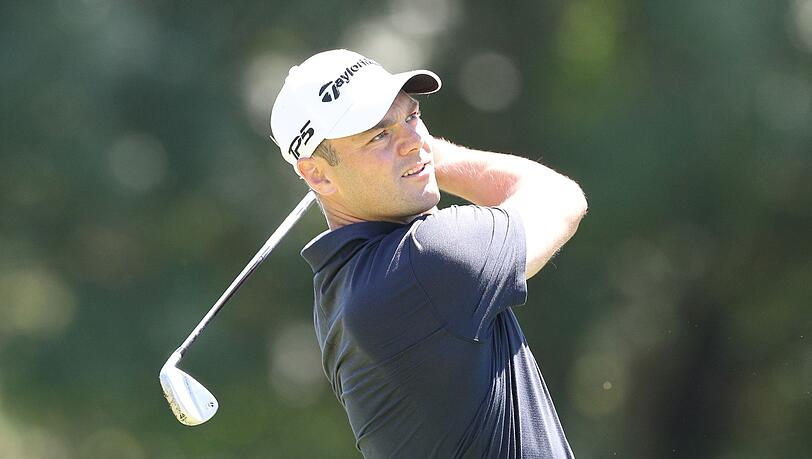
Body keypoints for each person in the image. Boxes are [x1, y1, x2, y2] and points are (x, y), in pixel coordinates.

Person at [270, 49, 587, 458]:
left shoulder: (337, 289)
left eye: (412, 117)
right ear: (316, 173)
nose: (414, 140)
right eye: (379, 135)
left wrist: (408, 154)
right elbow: (560, 197)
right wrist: (437, 156)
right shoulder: (424, 262)